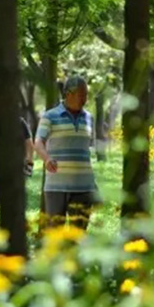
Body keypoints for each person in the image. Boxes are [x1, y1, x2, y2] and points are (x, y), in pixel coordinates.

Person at [34, 75, 99, 230]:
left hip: (83, 187)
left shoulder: (89, 118)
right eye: (81, 94)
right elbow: (38, 142)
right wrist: (47, 158)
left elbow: (86, 151)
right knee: (55, 235)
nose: (85, 98)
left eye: (86, 94)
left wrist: (93, 185)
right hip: (56, 186)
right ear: (68, 93)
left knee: (79, 235)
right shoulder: (50, 116)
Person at [0, 114, 34, 229]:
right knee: (12, 206)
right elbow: (29, 143)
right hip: (14, 171)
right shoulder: (19, 121)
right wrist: (29, 162)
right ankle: (10, 235)